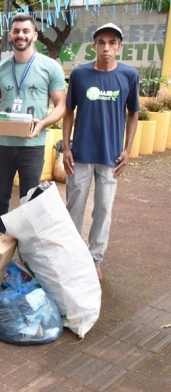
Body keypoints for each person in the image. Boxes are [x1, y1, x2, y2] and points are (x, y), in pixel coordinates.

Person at [63, 23, 139, 281]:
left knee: (103, 209)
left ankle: (94, 259)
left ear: (119, 46)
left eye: (112, 42)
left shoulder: (129, 75)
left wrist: (127, 150)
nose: (106, 48)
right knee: (74, 207)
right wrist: (66, 147)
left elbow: (133, 114)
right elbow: (68, 112)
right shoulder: (80, 74)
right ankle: (72, 258)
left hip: (111, 157)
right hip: (81, 154)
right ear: (94, 45)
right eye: (101, 42)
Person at [0, 13, 66, 233]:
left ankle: (26, 253)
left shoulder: (50, 67)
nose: (20, 35)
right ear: (10, 35)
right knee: (0, 200)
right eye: (16, 31)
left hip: (33, 146)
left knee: (30, 202)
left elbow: (61, 106)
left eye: (25, 31)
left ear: (35, 35)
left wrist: (42, 124)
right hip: (2, 147)